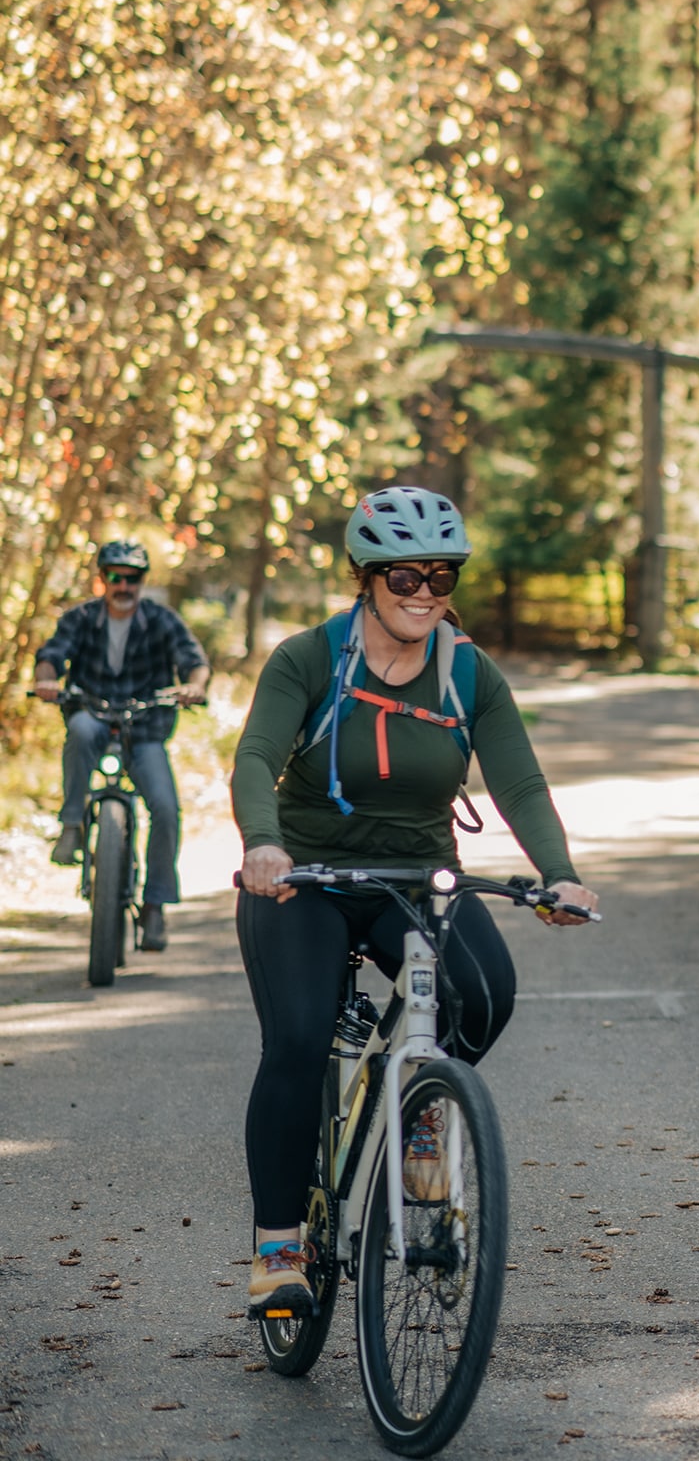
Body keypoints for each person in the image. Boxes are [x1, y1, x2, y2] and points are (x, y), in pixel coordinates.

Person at [231, 485, 599, 1316]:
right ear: (365, 577)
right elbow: (256, 757)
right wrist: (264, 844)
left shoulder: (469, 673)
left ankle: (423, 1121)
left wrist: (558, 873)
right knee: (295, 1039)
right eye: (406, 578)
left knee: (485, 994)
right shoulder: (310, 659)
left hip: (418, 875)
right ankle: (279, 1243)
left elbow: (520, 781)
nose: (426, 594)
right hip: (307, 877)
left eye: (442, 577)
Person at [33, 540, 211, 952]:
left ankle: (155, 906)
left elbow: (192, 659)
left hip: (145, 727)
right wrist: (47, 680)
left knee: (165, 809)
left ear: (142, 582)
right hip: (93, 715)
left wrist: (195, 686)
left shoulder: (162, 620)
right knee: (79, 730)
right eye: (115, 576)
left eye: (132, 578)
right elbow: (52, 655)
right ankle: (73, 825)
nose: (124, 585)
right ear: (103, 578)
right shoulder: (79, 618)